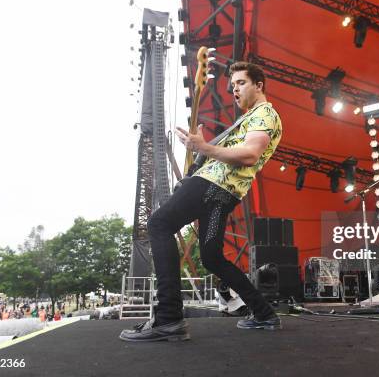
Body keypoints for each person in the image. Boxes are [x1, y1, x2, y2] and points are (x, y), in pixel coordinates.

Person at [119, 61, 283, 342]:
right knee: (212, 257)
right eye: (232, 86)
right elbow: (238, 151)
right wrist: (206, 149)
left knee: (159, 223)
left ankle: (168, 317)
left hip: (212, 185)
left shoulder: (264, 113)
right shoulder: (250, 118)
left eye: (241, 83)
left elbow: (250, 155)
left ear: (259, 85)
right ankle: (264, 313)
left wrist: (205, 148)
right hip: (223, 194)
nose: (235, 89)